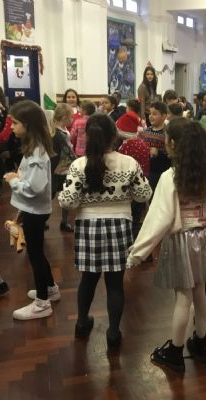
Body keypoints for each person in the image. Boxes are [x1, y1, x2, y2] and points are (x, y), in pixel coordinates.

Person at [127, 118, 206, 372]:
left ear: (172, 143)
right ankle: (200, 343)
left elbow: (159, 217)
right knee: (200, 291)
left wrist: (137, 252)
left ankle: (175, 351)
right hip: (205, 237)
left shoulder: (170, 177)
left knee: (183, 297)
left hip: (183, 239)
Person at [58, 113, 152, 350]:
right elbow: (144, 194)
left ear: (88, 136)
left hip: (88, 226)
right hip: (120, 224)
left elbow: (68, 201)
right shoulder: (129, 163)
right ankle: (113, 333)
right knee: (115, 283)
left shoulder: (79, 165)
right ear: (114, 136)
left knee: (88, 280)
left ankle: (81, 324)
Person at [4, 100, 57, 320]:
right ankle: (50, 288)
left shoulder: (37, 154)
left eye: (15, 123)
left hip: (36, 212)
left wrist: (14, 181)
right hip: (33, 210)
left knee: (35, 255)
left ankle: (42, 303)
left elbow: (34, 188)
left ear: (28, 124)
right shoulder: (33, 149)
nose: (12, 127)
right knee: (37, 253)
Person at [117, 111, 150, 237]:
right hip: (141, 184)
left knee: (131, 218)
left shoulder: (126, 147)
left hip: (129, 188)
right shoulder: (142, 144)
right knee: (137, 215)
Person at [50, 103, 76, 232]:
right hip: (57, 170)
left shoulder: (62, 130)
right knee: (50, 196)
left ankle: (64, 222)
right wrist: (78, 162)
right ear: (65, 117)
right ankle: (41, 220)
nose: (73, 119)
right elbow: (69, 152)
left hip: (63, 169)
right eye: (71, 116)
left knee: (65, 195)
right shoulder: (58, 134)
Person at [142, 101, 170, 192]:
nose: (150, 116)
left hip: (160, 171)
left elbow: (170, 153)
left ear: (164, 116)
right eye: (150, 113)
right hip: (147, 169)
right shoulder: (147, 130)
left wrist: (159, 152)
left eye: (154, 114)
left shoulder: (167, 132)